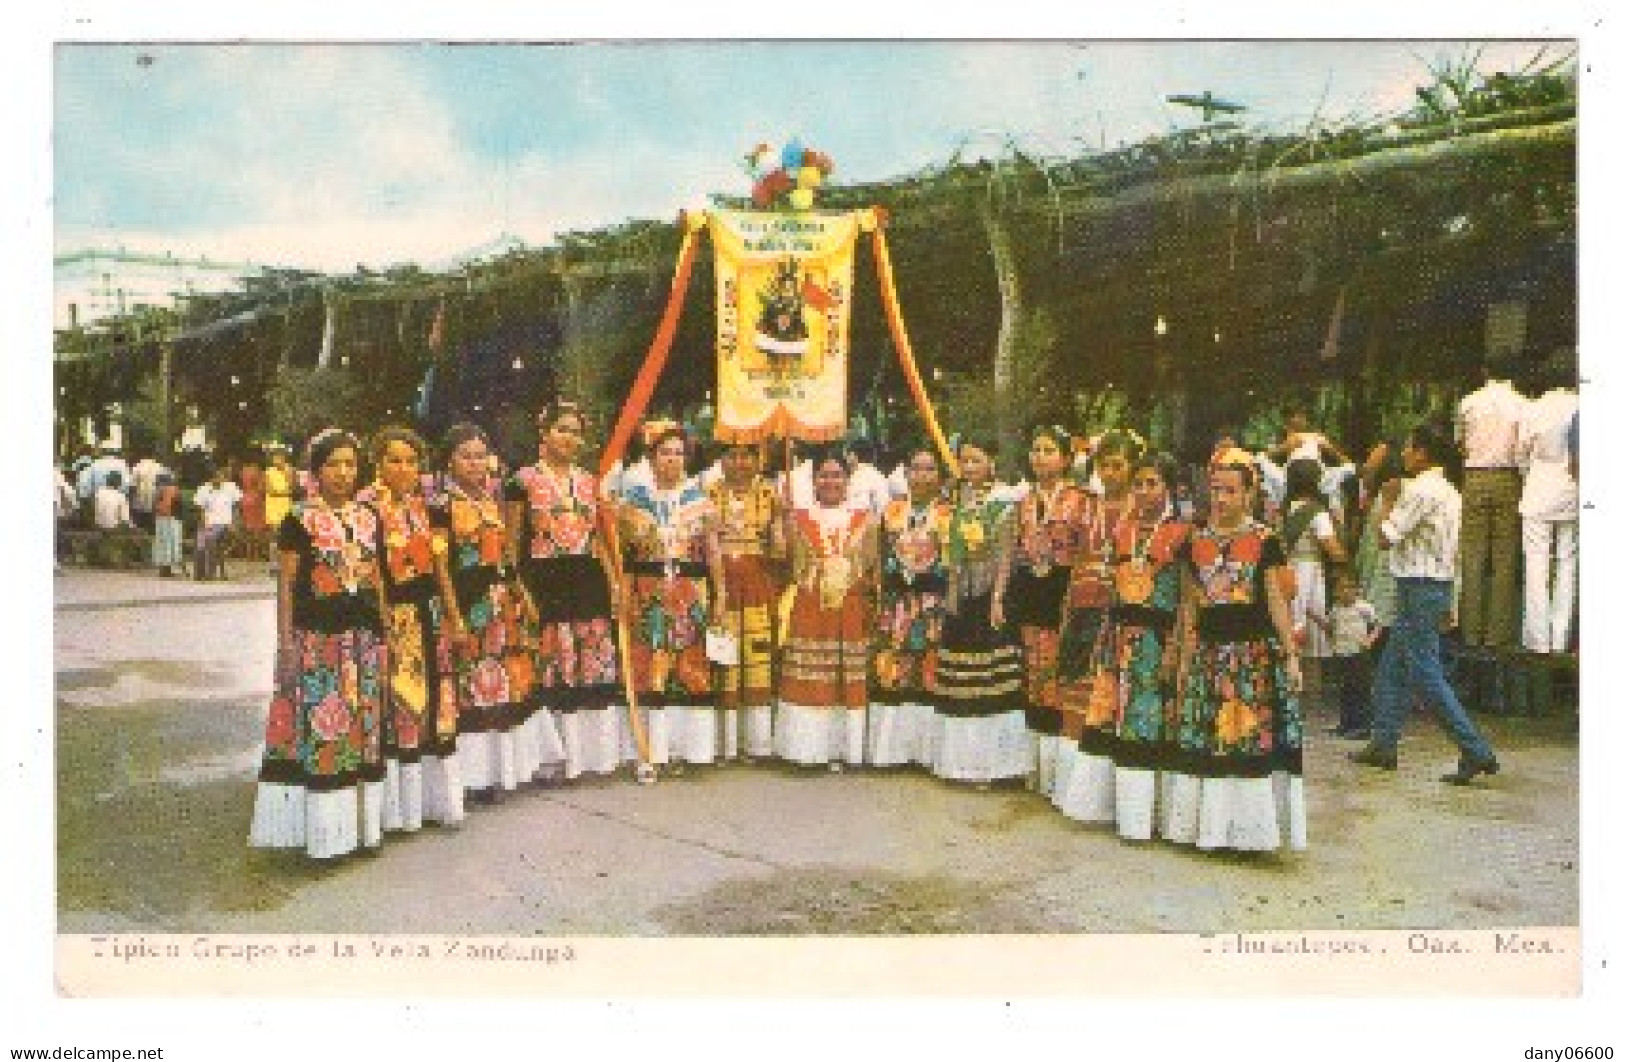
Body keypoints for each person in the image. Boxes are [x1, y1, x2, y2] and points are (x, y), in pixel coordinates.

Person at [248, 428, 389, 859]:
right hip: (317, 640)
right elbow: (287, 586)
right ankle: (326, 835)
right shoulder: (297, 519)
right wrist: (284, 642)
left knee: (361, 730)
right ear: (316, 470)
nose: (343, 473)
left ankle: (360, 831)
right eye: (333, 464)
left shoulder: (368, 516)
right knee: (325, 730)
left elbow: (375, 575)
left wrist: (384, 627)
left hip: (361, 639)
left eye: (350, 464)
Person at [1164, 453, 1307, 851]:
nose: (1222, 498)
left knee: (1245, 739)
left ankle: (1247, 835)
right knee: (1209, 739)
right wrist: (1182, 656)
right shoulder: (1194, 542)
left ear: (1249, 494)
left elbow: (1276, 600)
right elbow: (1190, 604)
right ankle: (1210, 832)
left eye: (1231, 491)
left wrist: (1291, 656)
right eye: (1216, 490)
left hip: (1251, 655)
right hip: (1208, 654)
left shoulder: (1264, 540)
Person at [1350, 421, 1501, 785]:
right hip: (1434, 585)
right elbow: (1454, 553)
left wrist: (1385, 502)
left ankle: (1475, 749)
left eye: (1409, 448)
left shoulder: (1419, 491)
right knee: (1393, 666)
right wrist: (1452, 599)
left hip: (1416, 586)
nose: (1404, 454)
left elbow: (1387, 537)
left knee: (1425, 673)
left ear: (1422, 453)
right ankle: (1383, 743)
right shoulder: (1450, 492)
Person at [1070, 452, 1192, 840]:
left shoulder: (1182, 532)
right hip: (1119, 634)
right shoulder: (1122, 529)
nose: (1143, 491)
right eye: (1138, 484)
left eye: (1152, 483)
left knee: (1147, 719)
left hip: (1157, 637)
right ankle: (1114, 810)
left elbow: (1187, 598)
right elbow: (1111, 589)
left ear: (1169, 487)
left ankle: (1148, 819)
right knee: (1114, 716)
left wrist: (1177, 647)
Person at [505, 400, 628, 780]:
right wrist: (519, 588)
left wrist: (615, 583)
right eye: (562, 429)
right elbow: (512, 544)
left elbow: (600, 541)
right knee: (555, 663)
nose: (569, 438)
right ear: (544, 433)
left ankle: (594, 757)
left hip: (587, 577)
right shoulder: (522, 480)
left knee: (591, 662)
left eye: (576, 431)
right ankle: (555, 759)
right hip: (545, 579)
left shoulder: (590, 483)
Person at [363, 427, 471, 828]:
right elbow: (372, 573)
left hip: (430, 611)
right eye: (394, 460)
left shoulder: (428, 506)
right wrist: (382, 622)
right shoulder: (367, 509)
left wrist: (455, 618)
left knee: (436, 708)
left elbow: (441, 567)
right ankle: (400, 812)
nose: (403, 468)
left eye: (411, 461)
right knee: (403, 707)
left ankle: (436, 804)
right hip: (395, 614)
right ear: (378, 463)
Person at [617, 422, 725, 773]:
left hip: (689, 592)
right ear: (651, 457)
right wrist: (623, 590)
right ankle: (650, 751)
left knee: (688, 665)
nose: (672, 459)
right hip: (648, 593)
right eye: (665, 452)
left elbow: (712, 552)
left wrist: (720, 595)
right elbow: (625, 555)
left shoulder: (701, 503)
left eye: (679, 453)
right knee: (650, 667)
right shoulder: (633, 502)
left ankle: (685, 752)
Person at [929, 436, 1031, 787]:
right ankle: (958, 765)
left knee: (991, 679)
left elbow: (1006, 555)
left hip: (990, 594)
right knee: (958, 676)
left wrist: (998, 597)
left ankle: (993, 768)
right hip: (962, 593)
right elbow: (952, 554)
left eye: (976, 460)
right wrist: (951, 595)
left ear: (992, 463)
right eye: (965, 461)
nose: (969, 468)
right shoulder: (959, 500)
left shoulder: (1004, 500)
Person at [1054, 428, 1142, 816]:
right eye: (1104, 466)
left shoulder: (1140, 511)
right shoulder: (1084, 507)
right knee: (1076, 690)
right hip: (1082, 604)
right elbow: (1070, 558)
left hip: (1120, 611)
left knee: (1109, 696)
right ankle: (1074, 791)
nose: (1110, 473)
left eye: (1118, 465)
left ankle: (1111, 797)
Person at [776, 446, 880, 771]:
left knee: (843, 679)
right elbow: (783, 556)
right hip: (810, 604)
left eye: (837, 475)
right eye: (824, 475)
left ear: (848, 480)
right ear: (814, 480)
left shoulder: (866, 519)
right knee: (811, 677)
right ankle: (806, 751)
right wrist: (782, 517)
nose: (830, 481)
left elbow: (871, 566)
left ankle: (843, 751)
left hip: (849, 605)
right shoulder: (800, 517)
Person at [1006, 426, 1089, 795]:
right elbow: (1013, 550)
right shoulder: (1022, 501)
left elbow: (1086, 549)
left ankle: (1061, 775)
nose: (1040, 456)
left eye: (1049, 450)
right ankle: (1035, 770)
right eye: (1035, 449)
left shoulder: (1082, 500)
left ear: (1066, 458)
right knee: (1033, 673)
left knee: (1060, 673)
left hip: (1063, 587)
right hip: (1030, 590)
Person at [870, 445, 952, 768]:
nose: (921, 475)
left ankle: (926, 753)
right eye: (915, 468)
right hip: (897, 604)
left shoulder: (948, 513)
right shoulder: (891, 511)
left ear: (940, 476)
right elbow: (879, 556)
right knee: (893, 668)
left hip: (933, 603)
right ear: (905, 473)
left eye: (929, 469)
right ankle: (891, 752)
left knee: (928, 668)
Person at [707, 440, 784, 762]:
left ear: (758, 459)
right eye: (732, 456)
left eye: (746, 456)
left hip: (756, 582)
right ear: (722, 460)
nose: (739, 462)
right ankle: (723, 745)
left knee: (757, 659)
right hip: (721, 581)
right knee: (724, 660)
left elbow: (780, 551)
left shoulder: (770, 494)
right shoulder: (709, 493)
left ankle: (756, 745)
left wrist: (783, 524)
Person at [1455, 358, 1528, 652]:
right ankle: (1497, 635)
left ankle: (1470, 633)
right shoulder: (1523, 405)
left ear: (1485, 372)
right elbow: (1523, 449)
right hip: (1508, 478)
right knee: (1504, 557)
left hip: (1474, 476)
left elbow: (1460, 445)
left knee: (1472, 556)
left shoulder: (1469, 402)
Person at [1517, 349, 1579, 656]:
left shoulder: (1534, 408)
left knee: (1536, 564)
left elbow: (1521, 453)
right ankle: (1559, 639)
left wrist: (1529, 472)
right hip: (1571, 488)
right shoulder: (1581, 406)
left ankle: (1537, 641)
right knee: (1567, 563)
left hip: (1538, 488)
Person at [1281, 456, 1350, 702]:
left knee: (1291, 623)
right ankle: (1311, 690)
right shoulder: (1317, 513)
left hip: (1287, 571)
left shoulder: (1284, 509)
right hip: (1310, 571)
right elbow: (1333, 549)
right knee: (1312, 629)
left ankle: (1290, 687)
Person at [1308, 570, 1380, 739]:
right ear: (1335, 592)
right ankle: (1346, 724)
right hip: (1341, 655)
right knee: (1345, 690)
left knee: (1360, 690)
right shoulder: (1335, 610)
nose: (1345, 592)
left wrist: (1370, 639)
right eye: (1341, 588)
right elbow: (1329, 627)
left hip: (1358, 655)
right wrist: (1313, 616)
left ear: (1358, 590)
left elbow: (1378, 625)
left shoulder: (1364, 608)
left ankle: (1363, 726)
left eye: (1349, 587)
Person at [192, 464, 242, 581]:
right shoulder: (204, 489)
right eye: (216, 478)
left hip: (225, 524)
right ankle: (199, 573)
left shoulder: (231, 487)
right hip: (209, 523)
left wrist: (234, 523)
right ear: (210, 479)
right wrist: (205, 523)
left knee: (210, 538)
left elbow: (237, 507)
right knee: (200, 541)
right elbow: (202, 510)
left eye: (221, 477)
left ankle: (211, 573)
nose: (219, 480)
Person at [844, 438, 892, 516]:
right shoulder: (879, 477)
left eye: (848, 454)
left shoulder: (859, 478)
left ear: (853, 455)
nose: (846, 458)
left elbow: (882, 508)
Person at [151, 470, 183, 578]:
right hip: (170, 519)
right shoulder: (170, 489)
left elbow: (156, 506)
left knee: (162, 543)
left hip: (160, 519)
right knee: (170, 543)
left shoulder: (158, 490)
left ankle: (164, 569)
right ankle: (167, 570)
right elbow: (166, 505)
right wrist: (167, 515)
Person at [238, 454, 268, 564]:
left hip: (245, 498)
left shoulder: (243, 471)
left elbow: (243, 485)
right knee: (258, 528)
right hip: (256, 499)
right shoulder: (259, 472)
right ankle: (257, 554)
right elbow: (261, 488)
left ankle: (249, 554)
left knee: (248, 528)